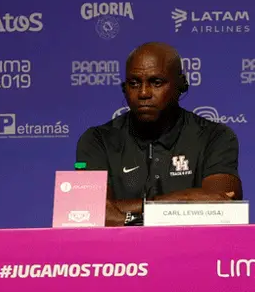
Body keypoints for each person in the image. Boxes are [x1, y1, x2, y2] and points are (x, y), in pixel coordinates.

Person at [75, 42, 243, 226]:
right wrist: (180, 203)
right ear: (124, 88)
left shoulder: (214, 136)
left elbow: (222, 207)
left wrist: (129, 213)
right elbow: (89, 213)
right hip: (120, 245)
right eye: (134, 83)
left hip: (193, 244)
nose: (143, 93)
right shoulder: (98, 140)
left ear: (182, 85)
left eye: (156, 82)